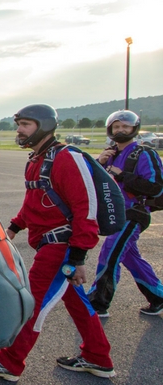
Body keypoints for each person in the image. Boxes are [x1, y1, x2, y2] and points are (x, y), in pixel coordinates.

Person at [0, 104, 116, 382]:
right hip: (48, 243)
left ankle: (10, 362)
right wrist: (14, 227)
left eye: (26, 124)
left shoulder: (66, 158)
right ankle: (98, 356)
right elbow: (35, 202)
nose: (19, 129)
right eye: (19, 124)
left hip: (60, 247)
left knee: (34, 304)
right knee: (76, 302)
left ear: (43, 126)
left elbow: (85, 208)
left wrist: (78, 257)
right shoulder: (37, 160)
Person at [87, 110, 163, 317]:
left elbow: (156, 187)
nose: (120, 130)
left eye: (125, 126)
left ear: (134, 128)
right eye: (116, 127)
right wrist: (98, 163)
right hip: (113, 214)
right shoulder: (110, 155)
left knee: (110, 252)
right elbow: (88, 182)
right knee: (130, 257)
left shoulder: (145, 154)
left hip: (134, 213)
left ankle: (97, 302)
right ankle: (158, 296)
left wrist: (124, 176)